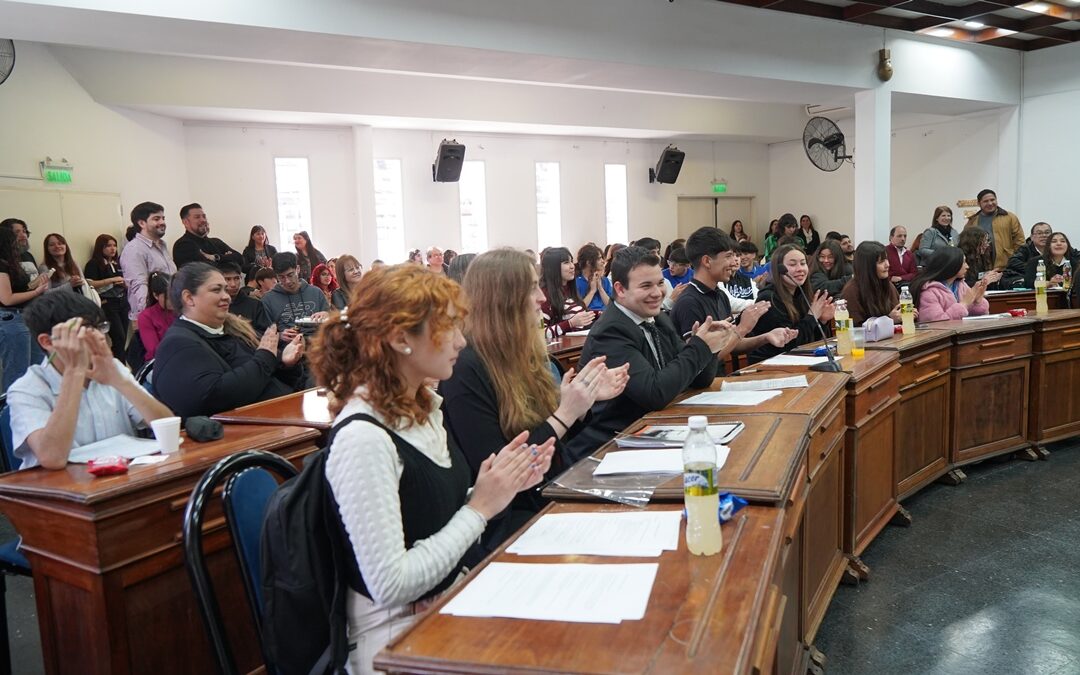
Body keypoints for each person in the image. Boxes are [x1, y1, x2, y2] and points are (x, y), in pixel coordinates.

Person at [305, 263, 556, 673]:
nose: (460, 341)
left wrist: (500, 486)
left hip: (447, 602)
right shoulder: (363, 438)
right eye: (448, 328)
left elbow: (436, 518)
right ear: (402, 338)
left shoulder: (424, 409)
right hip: (395, 637)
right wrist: (480, 509)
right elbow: (391, 585)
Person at [440, 249, 628, 549]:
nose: (542, 298)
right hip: (510, 521)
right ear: (503, 299)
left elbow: (552, 442)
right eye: (531, 288)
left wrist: (583, 403)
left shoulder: (521, 353)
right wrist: (566, 413)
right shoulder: (466, 368)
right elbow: (501, 466)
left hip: (550, 493)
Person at [564, 246, 737, 461]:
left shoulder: (658, 318)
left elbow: (701, 379)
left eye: (660, 283)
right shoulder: (610, 332)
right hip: (609, 447)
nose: (657, 293)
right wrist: (699, 347)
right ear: (620, 289)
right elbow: (655, 394)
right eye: (646, 286)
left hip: (652, 430)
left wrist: (710, 346)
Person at [7, 292, 174, 470]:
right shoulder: (26, 389)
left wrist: (120, 381)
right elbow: (52, 458)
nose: (100, 337)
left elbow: (167, 427)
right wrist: (75, 371)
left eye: (99, 326)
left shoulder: (111, 368)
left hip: (119, 481)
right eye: (84, 328)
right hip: (61, 490)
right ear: (48, 341)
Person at [154, 263, 308, 418]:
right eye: (216, 290)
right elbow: (215, 397)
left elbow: (270, 378)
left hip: (284, 414)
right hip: (249, 433)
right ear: (189, 298)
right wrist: (266, 357)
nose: (226, 296)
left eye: (225, 289)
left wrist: (285, 362)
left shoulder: (234, 330)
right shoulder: (178, 344)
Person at [671, 227, 796, 368]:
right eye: (728, 256)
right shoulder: (689, 302)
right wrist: (743, 327)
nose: (734, 262)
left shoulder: (720, 295)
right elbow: (702, 361)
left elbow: (732, 344)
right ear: (707, 261)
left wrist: (766, 337)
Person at [745, 244, 836, 363]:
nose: (800, 269)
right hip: (771, 366)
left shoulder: (802, 294)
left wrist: (822, 321)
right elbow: (789, 344)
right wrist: (812, 316)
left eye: (803, 263)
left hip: (801, 361)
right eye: (793, 264)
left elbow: (813, 343)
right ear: (779, 269)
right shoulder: (769, 298)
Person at [0, 227, 49, 392]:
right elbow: (7, 299)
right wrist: (36, 292)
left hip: (24, 317)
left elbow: (18, 289)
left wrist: (35, 285)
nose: (21, 237)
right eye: (16, 236)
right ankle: (12, 415)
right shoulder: (1, 264)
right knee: (17, 373)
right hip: (11, 319)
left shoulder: (12, 263)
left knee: (38, 366)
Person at [120, 201, 178, 321]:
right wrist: (151, 317)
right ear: (142, 223)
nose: (162, 222)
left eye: (163, 218)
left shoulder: (162, 245)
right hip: (152, 316)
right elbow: (138, 286)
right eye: (156, 219)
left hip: (171, 311)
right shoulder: (134, 249)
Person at [910, 247, 997, 322]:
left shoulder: (960, 285)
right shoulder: (929, 291)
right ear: (951, 264)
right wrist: (963, 304)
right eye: (963, 262)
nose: (967, 266)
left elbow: (974, 313)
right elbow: (935, 323)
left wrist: (977, 301)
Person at [262, 252, 330, 337]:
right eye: (281, 277)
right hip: (287, 347)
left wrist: (327, 315)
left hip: (317, 345)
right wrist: (280, 336)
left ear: (298, 269)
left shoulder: (316, 292)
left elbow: (333, 322)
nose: (287, 281)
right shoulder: (268, 300)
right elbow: (263, 333)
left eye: (290, 275)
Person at [83, 234, 128, 360]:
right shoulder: (93, 263)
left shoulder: (117, 263)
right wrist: (111, 280)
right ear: (100, 247)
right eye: (108, 246)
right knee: (119, 337)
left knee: (123, 337)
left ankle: (118, 364)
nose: (112, 249)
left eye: (114, 245)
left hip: (122, 301)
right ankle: (119, 368)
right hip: (108, 303)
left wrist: (124, 283)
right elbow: (89, 283)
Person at [840, 242, 903, 326]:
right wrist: (889, 320)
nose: (887, 265)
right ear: (867, 266)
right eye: (881, 262)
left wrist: (906, 314)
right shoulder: (851, 291)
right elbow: (857, 329)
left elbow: (897, 311)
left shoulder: (887, 284)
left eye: (886, 259)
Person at [539, 247, 596, 339]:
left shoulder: (570, 289)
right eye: (566, 262)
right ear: (553, 267)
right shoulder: (544, 295)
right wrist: (570, 323)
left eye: (571, 261)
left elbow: (580, 316)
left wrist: (598, 314)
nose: (572, 266)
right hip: (562, 350)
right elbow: (540, 333)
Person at [964, 188, 1024, 271]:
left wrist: (1014, 260)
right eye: (986, 201)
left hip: (1006, 266)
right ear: (979, 203)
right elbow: (966, 244)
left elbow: (1019, 241)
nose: (990, 203)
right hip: (980, 268)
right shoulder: (972, 221)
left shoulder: (1009, 217)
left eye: (992, 200)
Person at [172, 203, 243, 269]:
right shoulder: (183, 245)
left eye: (204, 216)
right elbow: (207, 270)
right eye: (197, 217)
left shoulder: (216, 242)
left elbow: (241, 259)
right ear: (186, 222)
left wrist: (216, 257)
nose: (203, 220)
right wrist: (228, 258)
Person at [221, 262, 271, 334]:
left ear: (241, 278)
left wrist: (245, 328)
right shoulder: (214, 306)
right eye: (228, 279)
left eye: (236, 278)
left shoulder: (255, 305)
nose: (233, 284)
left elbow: (266, 333)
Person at [136, 272, 175, 361]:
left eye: (175, 295)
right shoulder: (146, 316)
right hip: (161, 361)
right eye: (168, 297)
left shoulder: (183, 308)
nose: (173, 301)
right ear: (155, 295)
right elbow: (154, 350)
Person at [1006, 222, 1052, 288]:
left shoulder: (1056, 248)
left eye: (1047, 233)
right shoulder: (1025, 249)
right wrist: (1033, 269)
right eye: (1039, 233)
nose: (1044, 235)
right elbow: (1013, 261)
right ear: (1032, 237)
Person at [575, 244, 612, 311]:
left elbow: (610, 306)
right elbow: (579, 310)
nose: (603, 261)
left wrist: (600, 288)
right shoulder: (576, 282)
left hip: (605, 317)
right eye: (599, 258)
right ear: (588, 263)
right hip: (588, 318)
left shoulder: (604, 280)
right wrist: (592, 291)